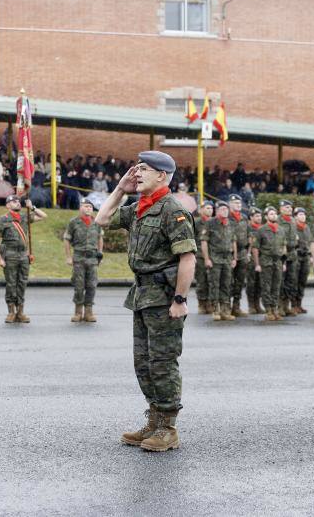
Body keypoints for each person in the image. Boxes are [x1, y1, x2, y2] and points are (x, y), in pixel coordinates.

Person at [94, 150, 195, 453]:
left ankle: (168, 427)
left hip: (164, 297)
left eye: (143, 170)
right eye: (135, 168)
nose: (136, 173)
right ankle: (154, 420)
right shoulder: (140, 207)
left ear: (162, 175)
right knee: (144, 363)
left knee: (163, 362)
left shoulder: (172, 210)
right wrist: (120, 189)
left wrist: (179, 299)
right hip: (142, 295)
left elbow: (187, 259)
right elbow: (102, 219)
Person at [0, 195, 47, 323]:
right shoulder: (2, 220)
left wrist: (32, 207)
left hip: (23, 255)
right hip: (10, 255)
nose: (17, 203)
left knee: (22, 283)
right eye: (13, 201)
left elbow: (44, 216)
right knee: (11, 283)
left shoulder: (24, 217)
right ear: (7, 205)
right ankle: (11, 312)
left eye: (18, 201)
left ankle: (20, 312)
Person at [63, 198, 103, 322]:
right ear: (80, 208)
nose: (88, 209)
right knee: (79, 286)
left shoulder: (96, 223)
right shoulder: (74, 222)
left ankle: (89, 312)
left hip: (92, 258)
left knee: (92, 285)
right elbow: (66, 239)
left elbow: (100, 238)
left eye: (90, 207)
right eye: (85, 206)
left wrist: (100, 253)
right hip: (79, 258)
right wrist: (69, 257)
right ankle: (78, 311)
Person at [202, 200, 237, 322]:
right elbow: (204, 241)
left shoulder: (231, 223)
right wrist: (206, 259)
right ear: (217, 211)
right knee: (214, 285)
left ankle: (225, 310)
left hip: (227, 258)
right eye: (222, 209)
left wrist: (234, 258)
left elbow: (233, 241)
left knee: (226, 285)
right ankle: (215, 310)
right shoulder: (211, 223)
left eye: (226, 209)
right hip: (215, 258)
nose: (225, 211)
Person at [252, 206, 286, 321]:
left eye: (275, 213)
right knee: (266, 286)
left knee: (276, 286)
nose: (274, 216)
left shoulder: (281, 229)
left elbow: (283, 246)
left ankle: (275, 308)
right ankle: (268, 310)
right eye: (271, 214)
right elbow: (255, 248)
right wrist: (257, 264)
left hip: (278, 261)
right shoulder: (261, 230)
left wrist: (284, 262)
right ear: (266, 217)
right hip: (266, 261)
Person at [228, 194, 250, 317]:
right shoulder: (227, 217)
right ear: (230, 204)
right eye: (236, 203)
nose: (238, 205)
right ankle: (226, 306)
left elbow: (248, 235)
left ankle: (236, 306)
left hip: (242, 252)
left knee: (239, 281)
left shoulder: (244, 218)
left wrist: (248, 252)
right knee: (227, 281)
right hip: (228, 253)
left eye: (239, 203)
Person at [278, 199, 299, 317]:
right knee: (281, 281)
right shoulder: (278, 221)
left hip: (292, 254)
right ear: (281, 209)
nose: (289, 209)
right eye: (286, 207)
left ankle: (286, 306)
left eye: (290, 207)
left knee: (290, 281)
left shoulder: (292, 221)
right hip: (282, 254)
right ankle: (279, 306)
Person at [193, 201, 213, 314]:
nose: (210, 210)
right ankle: (201, 303)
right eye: (207, 208)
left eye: (211, 208)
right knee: (201, 280)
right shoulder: (197, 223)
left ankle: (210, 303)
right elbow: (192, 238)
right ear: (201, 210)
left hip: (212, 255)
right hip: (200, 255)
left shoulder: (215, 222)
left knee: (211, 281)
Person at [292, 206, 311, 314]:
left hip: (305, 257)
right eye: (300, 214)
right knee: (294, 280)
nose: (303, 216)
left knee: (302, 281)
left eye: (304, 214)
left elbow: (309, 242)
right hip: (296, 256)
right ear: (295, 217)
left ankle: (299, 303)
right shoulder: (293, 227)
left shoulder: (306, 228)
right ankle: (293, 304)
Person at [245, 207, 264, 314]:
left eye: (260, 216)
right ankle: (251, 305)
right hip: (251, 257)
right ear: (251, 217)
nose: (259, 218)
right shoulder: (248, 228)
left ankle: (257, 304)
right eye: (256, 216)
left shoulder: (262, 228)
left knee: (260, 282)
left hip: (262, 257)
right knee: (251, 282)